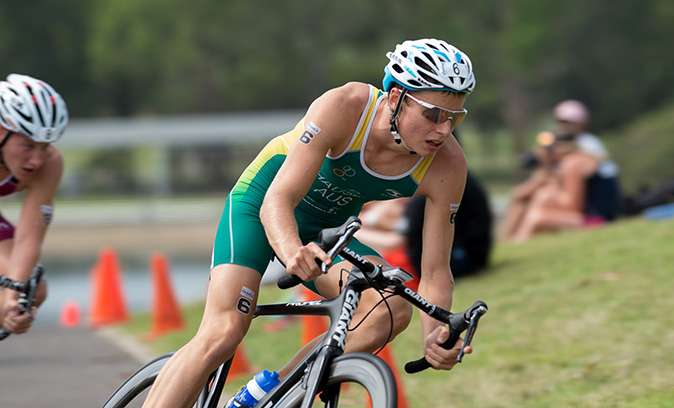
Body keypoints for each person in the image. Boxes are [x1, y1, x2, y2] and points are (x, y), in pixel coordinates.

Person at [143, 38, 477, 408]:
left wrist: (434, 335)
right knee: (223, 332)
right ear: (396, 97)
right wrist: (291, 252)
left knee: (390, 306)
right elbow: (278, 200)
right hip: (261, 205)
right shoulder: (345, 107)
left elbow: (434, 271)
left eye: (454, 117)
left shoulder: (447, 165)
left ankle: (270, 396)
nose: (443, 130)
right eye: (433, 114)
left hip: (326, 233)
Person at [0, 74, 69, 334]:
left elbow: (29, 238)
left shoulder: (50, 164)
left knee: (31, 290)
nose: (37, 159)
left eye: (44, 146)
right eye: (28, 145)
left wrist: (12, 300)